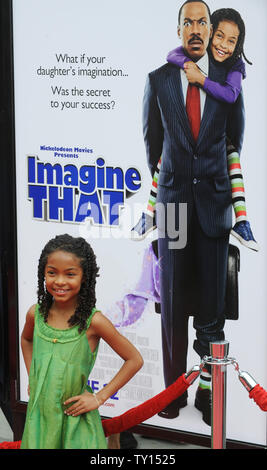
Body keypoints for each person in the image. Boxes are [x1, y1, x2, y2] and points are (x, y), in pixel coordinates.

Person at [142, 0, 245, 424]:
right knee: (172, 309)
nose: (198, 29)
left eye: (205, 22)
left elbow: (234, 142)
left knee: (211, 307)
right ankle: (170, 396)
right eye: (191, 22)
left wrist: (236, 205)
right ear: (179, 28)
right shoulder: (159, 79)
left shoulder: (228, 83)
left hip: (215, 208)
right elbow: (153, 147)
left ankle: (207, 393)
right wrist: (161, 193)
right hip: (173, 210)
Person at [132, 7, 258, 252]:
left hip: (215, 191)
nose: (222, 44)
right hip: (173, 191)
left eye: (231, 40)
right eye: (219, 36)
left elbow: (236, 124)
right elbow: (153, 139)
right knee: (165, 153)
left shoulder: (233, 72)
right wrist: (172, 177)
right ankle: (150, 213)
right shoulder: (162, 76)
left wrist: (201, 79)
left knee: (231, 154)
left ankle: (242, 220)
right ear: (211, 34)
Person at [20, 234, 143, 449]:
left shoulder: (94, 322)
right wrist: (34, 378)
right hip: (40, 420)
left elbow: (134, 359)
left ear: (84, 277)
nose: (59, 281)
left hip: (76, 424)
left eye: (70, 274)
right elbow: (26, 339)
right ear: (43, 274)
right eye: (51, 273)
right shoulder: (35, 314)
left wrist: (99, 398)